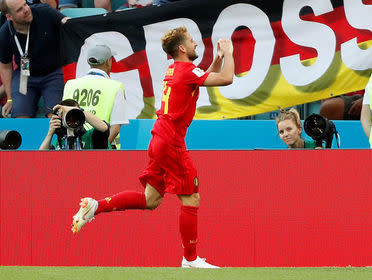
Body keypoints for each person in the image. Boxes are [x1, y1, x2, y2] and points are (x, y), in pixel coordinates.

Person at [71, 26, 235, 268]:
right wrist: (229, 53)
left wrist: (218, 59)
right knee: (191, 197)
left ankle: (96, 206)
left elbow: (203, 79)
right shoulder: (186, 70)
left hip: (159, 137)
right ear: (181, 48)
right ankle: (190, 260)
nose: (196, 44)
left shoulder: (176, 68)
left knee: (150, 199)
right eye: (191, 41)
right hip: (171, 140)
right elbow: (226, 79)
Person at [0, 0, 68, 118]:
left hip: (54, 72)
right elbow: (5, 66)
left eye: (25, 4)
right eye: (19, 10)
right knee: (20, 116)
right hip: (25, 76)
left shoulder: (44, 11)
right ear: (9, 16)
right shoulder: (5, 33)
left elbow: (68, 24)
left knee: (55, 115)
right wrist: (10, 99)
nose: (26, 9)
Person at [62, 44, 128, 148]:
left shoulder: (70, 84)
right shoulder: (116, 87)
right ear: (108, 61)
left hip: (75, 147)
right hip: (102, 151)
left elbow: (64, 120)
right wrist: (98, 149)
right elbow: (115, 128)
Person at [39, 99, 110, 150]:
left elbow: (104, 127)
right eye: (68, 116)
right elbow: (40, 159)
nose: (73, 119)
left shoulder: (91, 136)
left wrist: (77, 110)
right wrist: (50, 134)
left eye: (76, 115)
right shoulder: (59, 142)